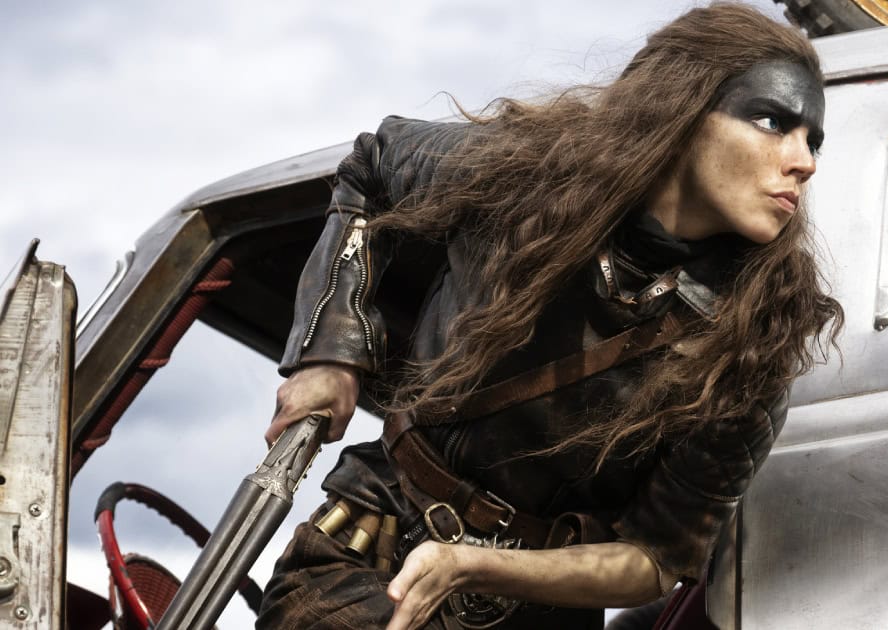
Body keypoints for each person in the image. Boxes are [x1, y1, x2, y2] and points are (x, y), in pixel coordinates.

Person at [257, 4, 843, 629]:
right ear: (685, 108)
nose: (804, 161)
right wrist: (331, 350)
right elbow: (374, 166)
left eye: (812, 141)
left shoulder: (757, 339)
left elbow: (656, 557)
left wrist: (471, 565)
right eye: (772, 122)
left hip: (536, 613)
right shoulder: (523, 178)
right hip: (369, 552)